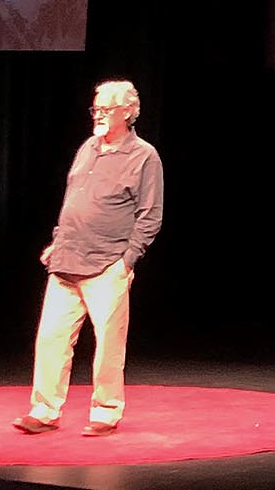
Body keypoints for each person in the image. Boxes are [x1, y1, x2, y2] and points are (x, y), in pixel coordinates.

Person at [13, 79, 164, 436]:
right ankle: (45, 410)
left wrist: (127, 261)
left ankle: (106, 411)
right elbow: (73, 201)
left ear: (127, 112)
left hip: (107, 263)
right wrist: (58, 240)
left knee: (109, 344)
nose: (97, 114)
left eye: (105, 109)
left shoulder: (144, 156)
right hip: (66, 260)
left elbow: (150, 215)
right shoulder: (87, 148)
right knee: (50, 338)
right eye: (95, 108)